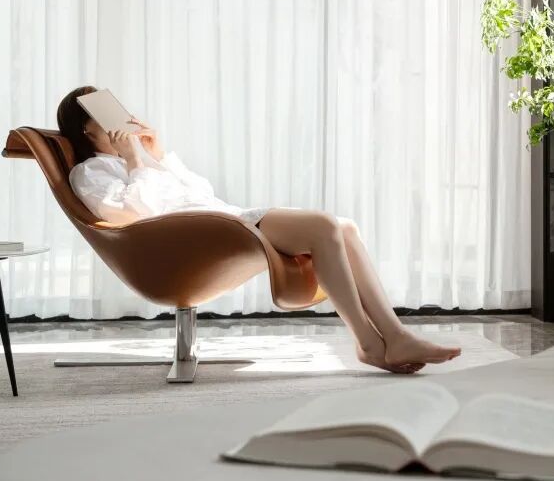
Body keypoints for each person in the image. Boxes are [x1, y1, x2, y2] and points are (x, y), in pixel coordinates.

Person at [57, 86, 461, 374]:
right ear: (87, 130)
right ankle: (369, 343)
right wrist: (134, 160)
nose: (122, 122)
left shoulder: (138, 160)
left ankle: (392, 334)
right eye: (105, 117)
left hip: (217, 221)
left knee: (346, 229)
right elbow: (137, 215)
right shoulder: (89, 172)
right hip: (199, 235)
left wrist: (155, 155)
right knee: (323, 226)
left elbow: (201, 192)